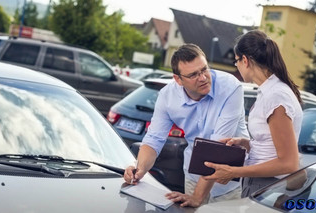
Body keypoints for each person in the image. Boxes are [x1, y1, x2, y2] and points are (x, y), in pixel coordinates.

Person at [123, 43, 249, 207]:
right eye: (193, 75)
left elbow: (218, 148)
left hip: (230, 183)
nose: (203, 78)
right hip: (194, 177)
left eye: (204, 69)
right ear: (178, 79)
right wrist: (139, 170)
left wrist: (197, 197)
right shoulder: (167, 96)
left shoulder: (230, 87)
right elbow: (154, 139)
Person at [203, 30, 303, 198]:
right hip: (263, 183)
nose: (237, 66)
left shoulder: (276, 96)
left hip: (267, 186)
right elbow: (272, 145)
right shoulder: (270, 91)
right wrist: (246, 143)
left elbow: (289, 163)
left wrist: (234, 171)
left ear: (245, 60)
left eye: (236, 61)